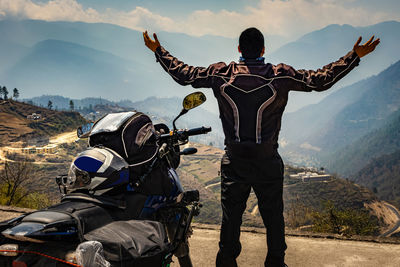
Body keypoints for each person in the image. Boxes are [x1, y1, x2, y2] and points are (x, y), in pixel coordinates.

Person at [143, 28, 379, 267]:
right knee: (274, 219)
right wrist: (354, 56)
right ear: (263, 50)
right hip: (267, 162)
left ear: (239, 50)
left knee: (231, 220)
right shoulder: (279, 76)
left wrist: (159, 51)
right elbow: (319, 80)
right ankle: (275, 263)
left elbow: (185, 75)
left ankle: (226, 263)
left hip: (234, 162)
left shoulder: (221, 74)